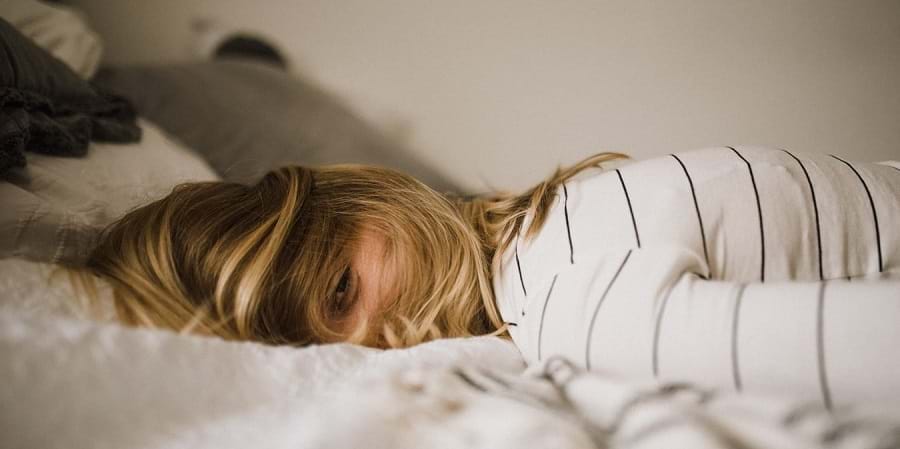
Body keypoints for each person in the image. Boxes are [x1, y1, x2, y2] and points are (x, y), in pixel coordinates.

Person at [81, 146, 899, 399]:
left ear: (370, 194)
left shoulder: (569, 301)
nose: (378, 346)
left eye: (341, 291)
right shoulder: (552, 221)